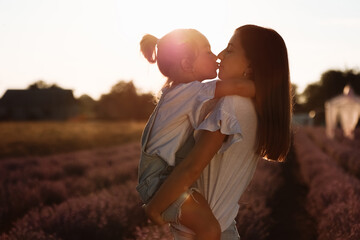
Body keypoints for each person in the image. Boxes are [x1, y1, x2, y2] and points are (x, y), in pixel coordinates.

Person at [144, 24, 292, 239]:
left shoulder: (231, 104)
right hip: (225, 229)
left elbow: (192, 167)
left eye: (230, 49)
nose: (220, 55)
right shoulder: (255, 109)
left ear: (250, 66)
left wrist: (154, 208)